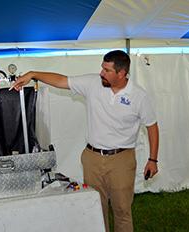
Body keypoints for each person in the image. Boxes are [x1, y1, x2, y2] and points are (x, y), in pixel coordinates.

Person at [10, 50, 159, 232]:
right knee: (95, 206)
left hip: (122, 159)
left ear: (121, 73)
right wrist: (33, 74)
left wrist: (152, 160)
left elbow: (152, 126)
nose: (101, 73)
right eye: (102, 68)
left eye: (106, 70)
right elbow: (62, 80)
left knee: (121, 210)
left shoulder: (138, 96)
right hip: (92, 158)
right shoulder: (92, 83)